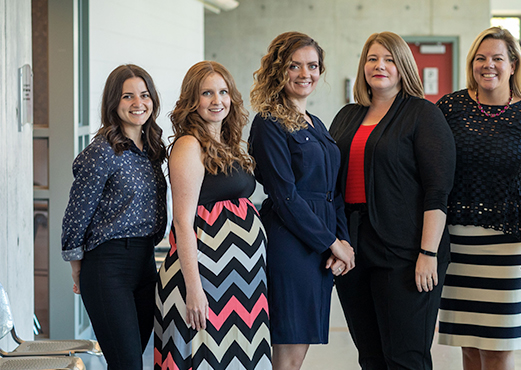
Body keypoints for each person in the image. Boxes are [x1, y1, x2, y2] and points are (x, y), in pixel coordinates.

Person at [330, 31, 456, 370]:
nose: (379, 65)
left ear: (403, 67)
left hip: (406, 249)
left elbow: (437, 191)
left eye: (389, 59)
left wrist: (428, 254)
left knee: (405, 358)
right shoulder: (347, 116)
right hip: (353, 246)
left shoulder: (422, 114)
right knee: (370, 357)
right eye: (372, 58)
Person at [436, 26, 521, 370]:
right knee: (469, 345)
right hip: (456, 243)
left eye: (497, 58)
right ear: (472, 63)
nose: (488, 65)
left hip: (508, 247)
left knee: (498, 345)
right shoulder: (450, 108)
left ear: (514, 65)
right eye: (481, 58)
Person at [247, 32, 355, 370]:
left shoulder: (317, 123)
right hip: (290, 245)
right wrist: (330, 243)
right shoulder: (268, 123)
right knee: (288, 357)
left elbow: (333, 192)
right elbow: (284, 196)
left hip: (319, 245)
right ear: (279, 70)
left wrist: (343, 242)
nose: (305, 73)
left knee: (298, 353)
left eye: (312, 66)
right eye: (294, 66)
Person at [154, 61, 272, 370]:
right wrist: (194, 290)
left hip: (242, 281)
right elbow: (182, 221)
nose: (217, 100)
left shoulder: (227, 143)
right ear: (192, 100)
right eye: (207, 93)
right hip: (205, 280)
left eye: (223, 92)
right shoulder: (189, 145)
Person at [61, 64, 166, 370]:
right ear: (113, 103)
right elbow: (76, 213)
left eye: (144, 95)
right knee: (128, 365)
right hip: (107, 267)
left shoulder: (152, 148)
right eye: (127, 96)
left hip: (145, 264)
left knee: (128, 362)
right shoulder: (102, 151)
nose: (138, 103)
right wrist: (77, 268)